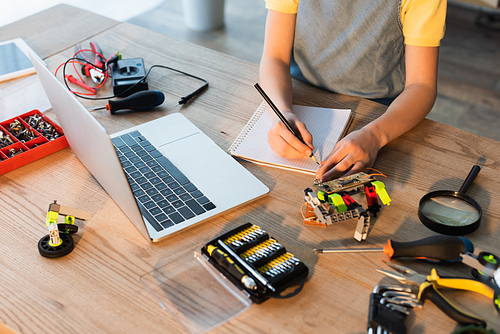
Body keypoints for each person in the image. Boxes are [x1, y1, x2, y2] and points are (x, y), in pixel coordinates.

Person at [259, 0, 446, 182]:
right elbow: (274, 57)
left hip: (381, 113)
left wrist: (376, 136)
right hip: (298, 93)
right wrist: (281, 113)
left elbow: (422, 86)